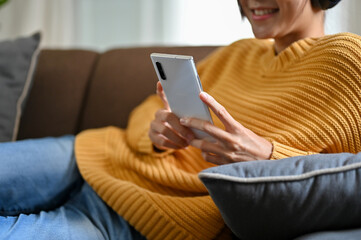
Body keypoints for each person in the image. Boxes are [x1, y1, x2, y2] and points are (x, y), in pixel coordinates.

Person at [1, 0, 360, 239]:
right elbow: (144, 109)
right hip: (88, 156)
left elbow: (347, 178)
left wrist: (267, 159)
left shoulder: (347, 59)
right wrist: (155, 133)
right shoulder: (239, 54)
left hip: (135, 219)